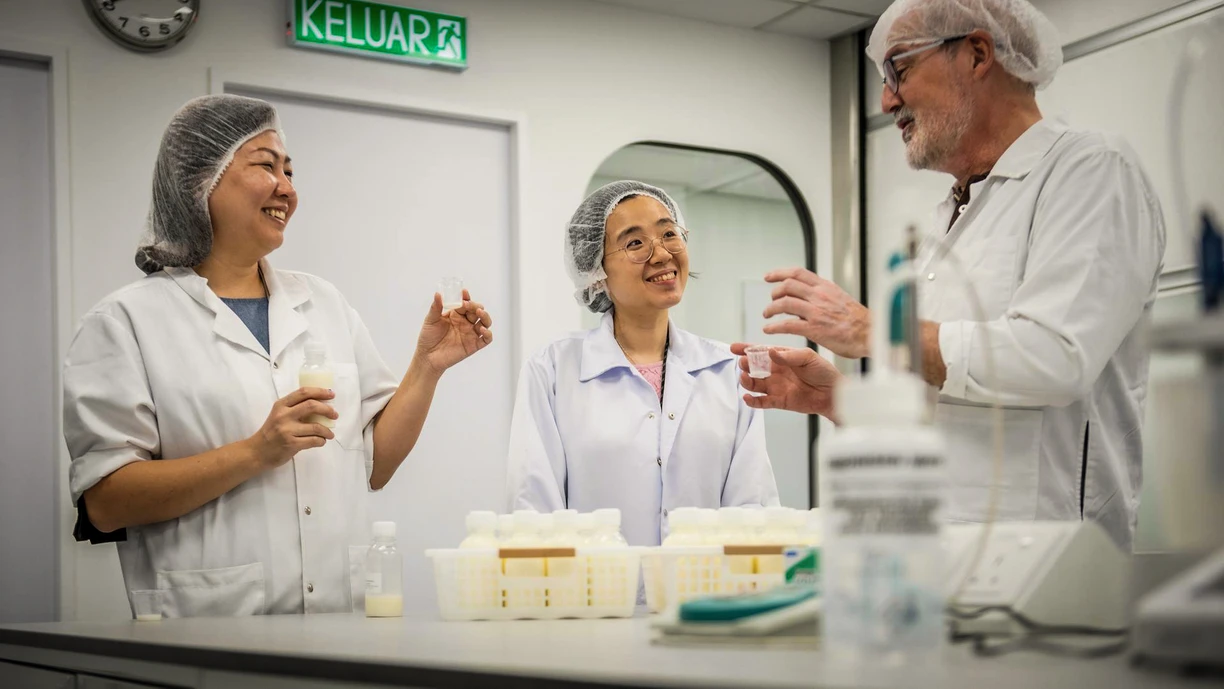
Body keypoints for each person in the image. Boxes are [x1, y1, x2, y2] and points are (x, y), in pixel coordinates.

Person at [736, 0, 1165, 551]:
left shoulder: (1092, 171)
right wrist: (836, 401)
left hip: (1051, 574)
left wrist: (877, 333)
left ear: (977, 53)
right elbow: (950, 410)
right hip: (937, 566)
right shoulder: (950, 219)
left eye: (900, 69)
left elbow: (1057, 358)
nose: (888, 99)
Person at [63, 95, 494, 618]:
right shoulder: (127, 322)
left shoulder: (324, 303)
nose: (287, 188)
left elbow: (374, 466)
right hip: (208, 630)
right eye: (266, 165)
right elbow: (107, 503)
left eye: (289, 170)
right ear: (200, 179)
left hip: (341, 622)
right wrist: (254, 453)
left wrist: (427, 367)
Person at [505, 181, 779, 546]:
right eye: (634, 243)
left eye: (669, 233)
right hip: (593, 598)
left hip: (705, 595)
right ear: (596, 271)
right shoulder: (554, 370)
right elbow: (534, 514)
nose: (662, 253)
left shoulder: (727, 369)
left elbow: (753, 508)